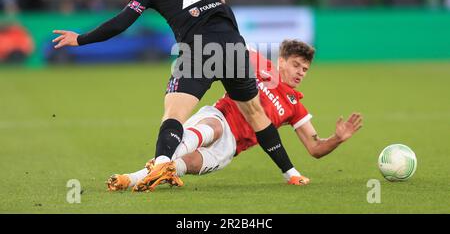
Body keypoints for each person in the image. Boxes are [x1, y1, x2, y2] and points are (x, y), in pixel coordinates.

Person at [52, 0, 297, 188]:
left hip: (199, 51)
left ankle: (161, 164)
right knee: (256, 114)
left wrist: (80, 39)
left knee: (174, 115)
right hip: (233, 45)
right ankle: (292, 174)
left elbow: (121, 22)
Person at [107, 40, 363, 192]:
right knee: (210, 129)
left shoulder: (296, 106)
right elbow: (231, 36)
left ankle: (155, 171)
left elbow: (315, 148)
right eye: (296, 65)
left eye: (305, 69)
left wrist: (337, 139)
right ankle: (131, 178)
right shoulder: (260, 64)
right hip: (220, 116)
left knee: (185, 165)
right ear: (281, 60)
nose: (300, 72)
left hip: (230, 149)